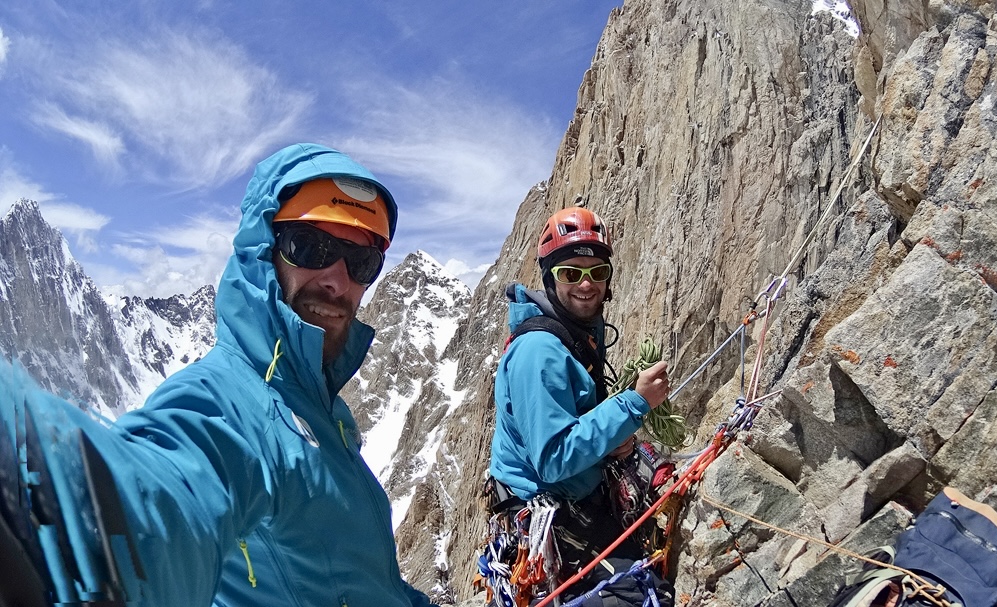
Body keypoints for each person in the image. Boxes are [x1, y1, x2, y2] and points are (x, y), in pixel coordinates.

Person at [0, 143, 438, 607]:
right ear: (263, 251)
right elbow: (169, 488)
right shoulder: (233, 399)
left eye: (361, 262)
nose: (337, 279)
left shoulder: (317, 404)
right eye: (311, 247)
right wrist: (52, 525)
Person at [483, 207, 675, 607]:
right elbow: (553, 457)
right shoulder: (538, 351)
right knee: (641, 597)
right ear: (550, 277)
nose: (586, 285)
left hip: (575, 489)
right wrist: (634, 403)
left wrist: (609, 441)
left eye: (596, 273)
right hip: (546, 507)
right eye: (571, 273)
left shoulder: (577, 332)